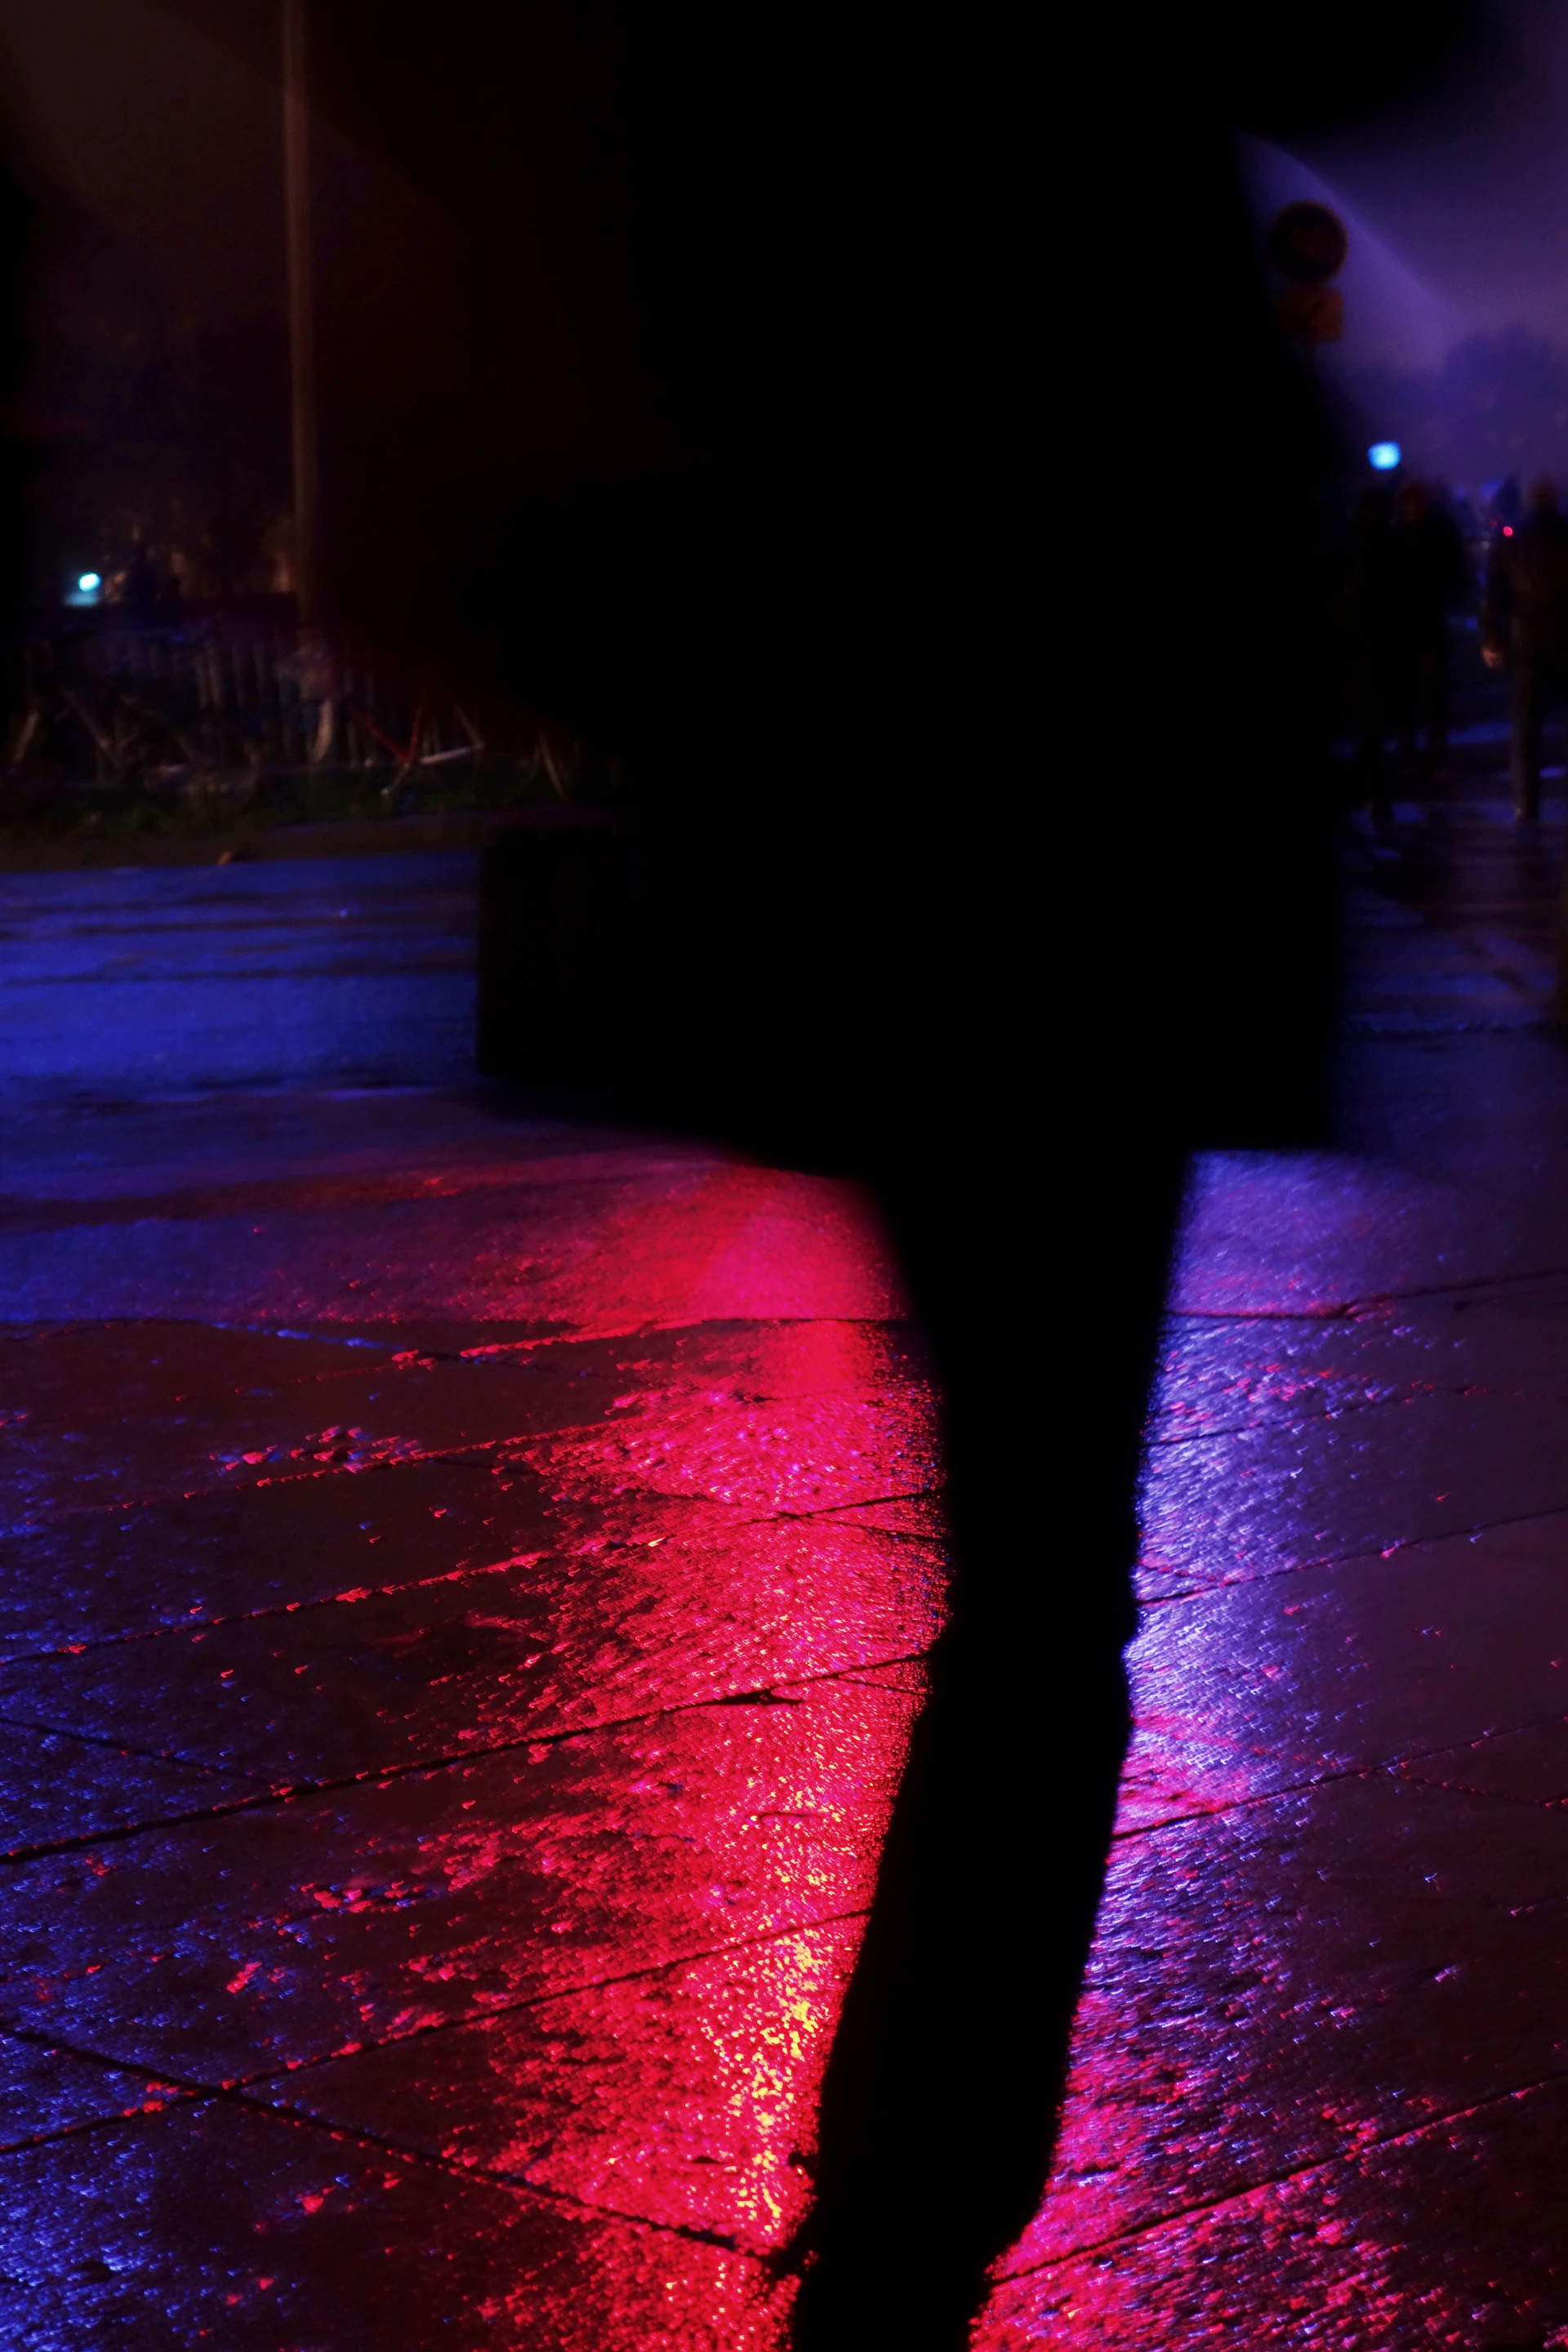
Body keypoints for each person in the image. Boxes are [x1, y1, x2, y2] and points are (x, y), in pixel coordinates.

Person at [1481, 474, 1568, 822]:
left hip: (1527, 640)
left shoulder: (1513, 539)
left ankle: (1526, 803)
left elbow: (1495, 595)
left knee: (1526, 725)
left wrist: (1492, 637)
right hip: (1565, 639)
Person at [1388, 477, 1469, 777]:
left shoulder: (1403, 534)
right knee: (1422, 695)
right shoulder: (1432, 532)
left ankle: (1427, 754)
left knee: (1426, 695)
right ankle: (1423, 753)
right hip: (1418, 624)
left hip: (1419, 624)